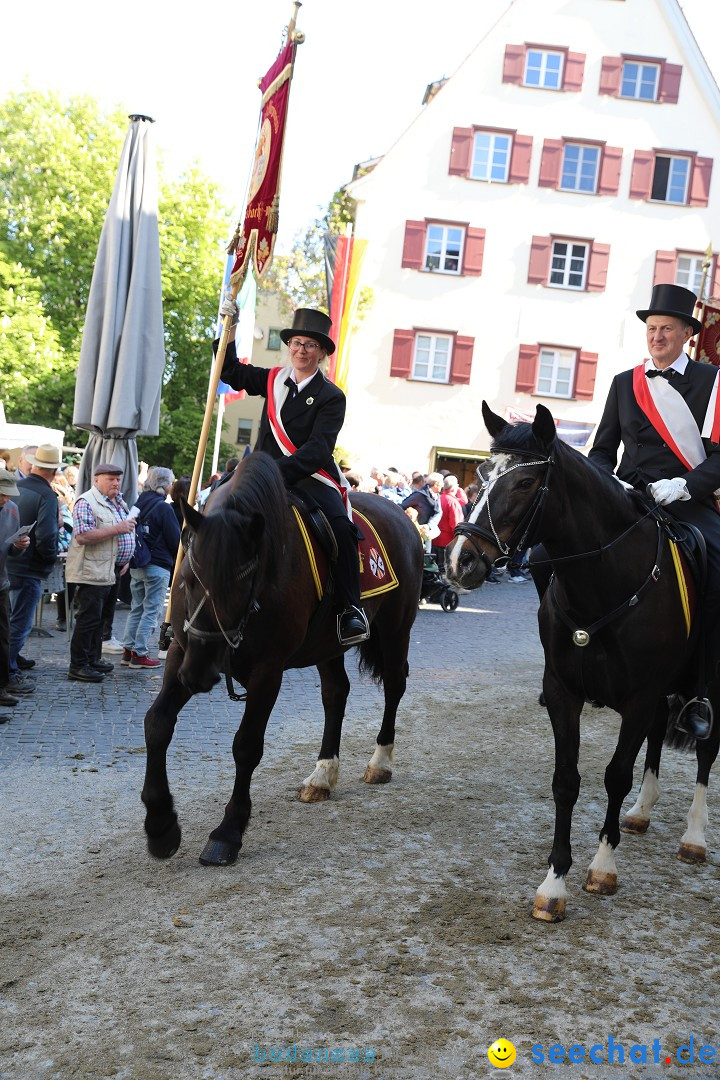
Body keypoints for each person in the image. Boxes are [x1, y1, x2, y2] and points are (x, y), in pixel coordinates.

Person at [589, 283, 720, 740]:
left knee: (718, 567)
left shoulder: (712, 380)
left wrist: (685, 485)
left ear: (687, 333)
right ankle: (577, 660)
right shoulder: (625, 383)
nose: (657, 336)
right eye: (651, 328)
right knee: (550, 554)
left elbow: (719, 456)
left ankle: (700, 689)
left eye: (666, 328)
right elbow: (602, 450)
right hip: (627, 498)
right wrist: (609, 482)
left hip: (685, 501)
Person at [218, 304, 369, 645]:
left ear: (322, 353)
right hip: (259, 474)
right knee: (209, 506)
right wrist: (229, 327)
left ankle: (350, 610)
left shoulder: (332, 396)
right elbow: (228, 371)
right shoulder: (271, 379)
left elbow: (317, 450)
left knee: (343, 530)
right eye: (297, 343)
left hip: (309, 477)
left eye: (310, 345)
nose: (301, 350)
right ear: (289, 346)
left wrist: (272, 472)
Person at [65, 462, 135, 682]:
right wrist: (118, 529)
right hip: (92, 569)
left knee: (102, 618)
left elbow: (124, 532)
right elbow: (83, 536)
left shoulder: (117, 500)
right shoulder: (86, 501)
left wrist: (126, 558)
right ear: (97, 480)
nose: (115, 483)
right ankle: (78, 665)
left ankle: (93, 659)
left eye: (117, 479)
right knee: (88, 618)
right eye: (110, 479)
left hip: (112, 568)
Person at [6, 444, 61, 693]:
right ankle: (7, 670)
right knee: (19, 623)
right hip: (27, 567)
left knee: (8, 621)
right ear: (54, 469)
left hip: (8, 562)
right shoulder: (47, 495)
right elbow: (47, 536)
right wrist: (49, 559)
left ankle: (11, 661)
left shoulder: (15, 487)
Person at [122, 466, 180, 669]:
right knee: (151, 610)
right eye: (170, 483)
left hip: (137, 562)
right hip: (158, 564)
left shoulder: (137, 503)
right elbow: (176, 540)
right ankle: (140, 653)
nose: (172, 487)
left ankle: (128, 651)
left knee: (136, 608)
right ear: (164, 485)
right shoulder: (164, 508)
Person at [0, 469, 31, 715]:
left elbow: (10, 551)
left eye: (8, 495)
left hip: (1, 583)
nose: (5, 499)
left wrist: (20, 545)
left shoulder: (11, 508)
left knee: (3, 638)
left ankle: (1, 687)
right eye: (1, 494)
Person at [433, 475, 464, 571]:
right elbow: (455, 525)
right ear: (455, 487)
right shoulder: (452, 502)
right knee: (444, 569)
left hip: (435, 539)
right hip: (447, 541)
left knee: (435, 567)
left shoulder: (438, 498)